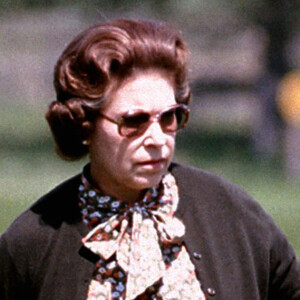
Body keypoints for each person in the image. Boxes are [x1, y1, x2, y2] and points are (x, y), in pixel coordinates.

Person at [0, 18, 299, 300]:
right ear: (84, 123)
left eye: (169, 117)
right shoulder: (33, 242)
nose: (157, 139)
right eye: (134, 121)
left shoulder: (233, 214)